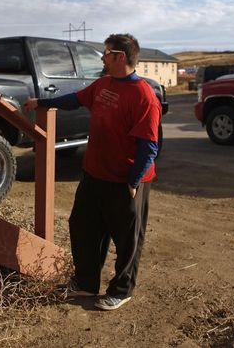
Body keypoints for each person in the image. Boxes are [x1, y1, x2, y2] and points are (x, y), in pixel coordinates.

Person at [24, 34, 161, 311]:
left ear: (120, 57)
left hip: (125, 180)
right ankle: (86, 282)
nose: (102, 58)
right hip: (93, 174)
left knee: (126, 240)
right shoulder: (103, 85)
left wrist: (134, 181)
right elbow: (75, 99)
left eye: (106, 53)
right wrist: (42, 103)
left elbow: (149, 146)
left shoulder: (144, 95)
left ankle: (121, 290)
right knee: (83, 227)